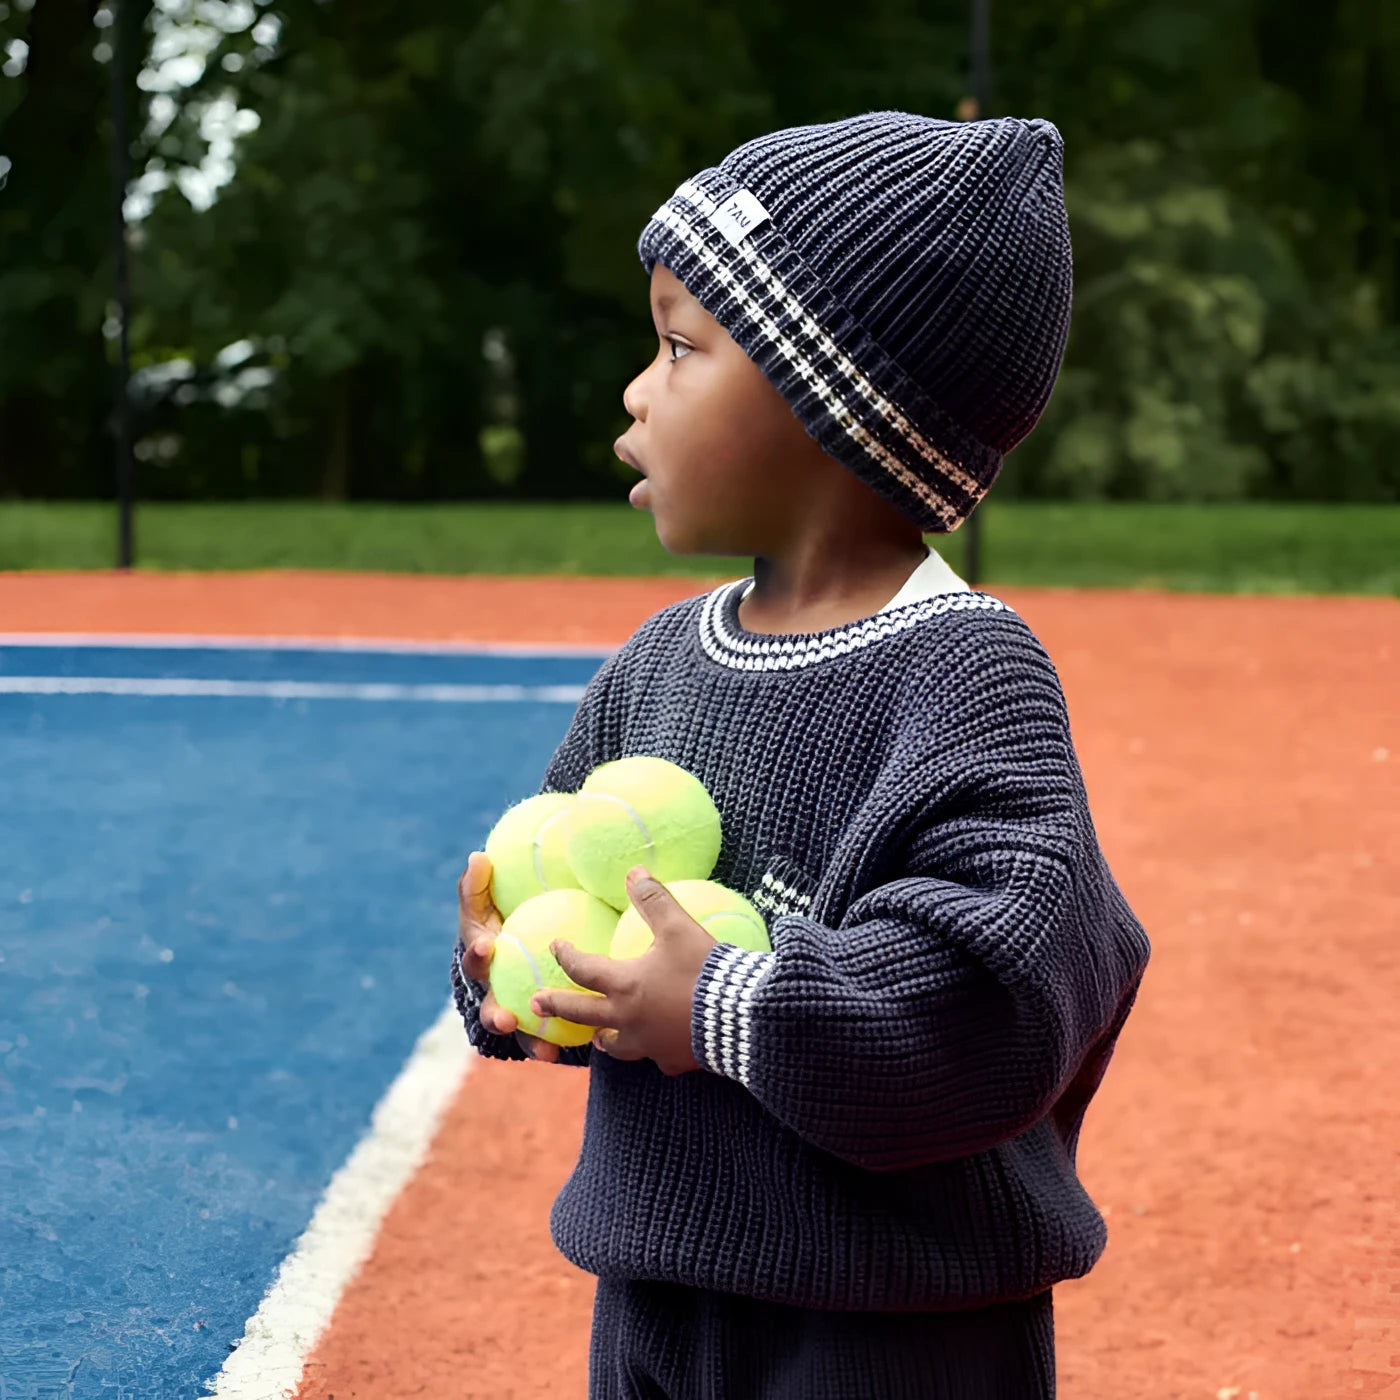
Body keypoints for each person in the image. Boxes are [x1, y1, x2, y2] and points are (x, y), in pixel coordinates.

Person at [452, 110, 1151, 1399]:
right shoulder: (660, 662)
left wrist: (724, 1005)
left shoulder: (964, 675)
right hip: (658, 1294)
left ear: (837, 407)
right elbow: (581, 913)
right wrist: (518, 980)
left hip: (889, 1331)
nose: (635, 389)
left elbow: (999, 1002)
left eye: (679, 346)